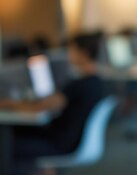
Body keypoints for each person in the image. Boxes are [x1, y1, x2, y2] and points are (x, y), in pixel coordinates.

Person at [0, 32, 108, 174]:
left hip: (61, 143)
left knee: (7, 145)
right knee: (16, 132)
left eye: (72, 50)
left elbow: (38, 108)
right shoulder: (97, 82)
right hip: (70, 139)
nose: (68, 54)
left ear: (83, 53)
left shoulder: (80, 84)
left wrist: (7, 104)